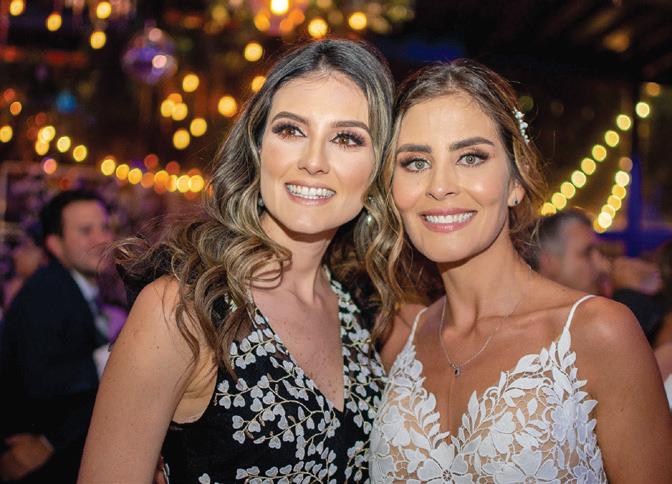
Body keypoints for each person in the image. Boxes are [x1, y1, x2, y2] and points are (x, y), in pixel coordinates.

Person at [78, 39, 393, 483]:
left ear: (378, 166)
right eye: (291, 130)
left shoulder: (363, 309)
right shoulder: (184, 309)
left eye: (346, 138)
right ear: (258, 146)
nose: (314, 161)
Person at [367, 60, 672, 482]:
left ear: (516, 181)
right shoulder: (399, 337)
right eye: (416, 162)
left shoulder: (598, 332)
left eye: (470, 157)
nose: (439, 186)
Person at [0, 190, 113, 483]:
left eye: (104, 227)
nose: (101, 239)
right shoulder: (47, 292)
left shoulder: (73, 286)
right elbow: (39, 381)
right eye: (86, 231)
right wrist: (106, 360)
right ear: (55, 245)